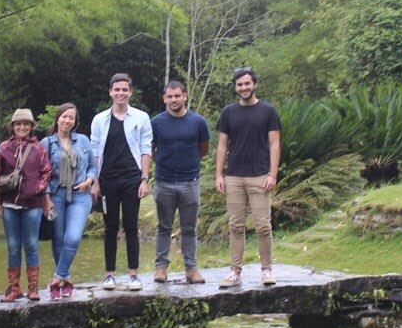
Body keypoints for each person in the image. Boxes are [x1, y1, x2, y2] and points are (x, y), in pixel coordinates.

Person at [215, 66, 282, 288]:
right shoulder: (228, 113)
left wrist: (273, 174)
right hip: (234, 177)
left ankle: (267, 270)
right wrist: (219, 175)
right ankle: (235, 272)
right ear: (235, 87)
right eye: (239, 84)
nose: (244, 87)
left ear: (255, 84)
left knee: (263, 226)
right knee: (235, 226)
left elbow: (274, 144)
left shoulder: (268, 111)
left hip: (260, 176)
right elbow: (222, 146)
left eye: (247, 83)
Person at [90, 73, 152, 291]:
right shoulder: (99, 119)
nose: (121, 93)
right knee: (110, 227)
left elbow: (146, 149)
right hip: (107, 180)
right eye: (117, 89)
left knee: (131, 226)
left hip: (132, 179)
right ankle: (109, 274)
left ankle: (133, 274)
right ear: (110, 92)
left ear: (130, 92)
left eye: (125, 89)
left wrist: (145, 179)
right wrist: (95, 182)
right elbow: (95, 151)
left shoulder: (141, 117)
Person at [151, 80, 210, 285]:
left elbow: (203, 148)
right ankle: (161, 268)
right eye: (170, 96)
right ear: (164, 98)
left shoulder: (198, 122)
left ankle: (191, 269)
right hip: (163, 182)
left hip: (190, 182)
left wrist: (188, 163)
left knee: (189, 228)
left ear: (185, 96)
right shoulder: (156, 122)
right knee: (163, 227)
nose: (174, 100)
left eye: (177, 96)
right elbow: (150, 148)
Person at [0, 108, 52, 303]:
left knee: (31, 245)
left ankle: (33, 288)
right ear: (12, 126)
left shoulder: (39, 149)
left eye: (26, 124)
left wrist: (38, 187)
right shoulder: (3, 148)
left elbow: (46, 172)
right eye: (18, 124)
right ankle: (14, 289)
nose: (22, 127)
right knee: (13, 246)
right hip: (10, 203)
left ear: (31, 127)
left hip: (33, 203)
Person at [41, 103, 95, 300]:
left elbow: (91, 166)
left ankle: (57, 277)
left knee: (72, 238)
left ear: (75, 121)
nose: (67, 120)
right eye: (64, 116)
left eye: (71, 118)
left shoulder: (83, 140)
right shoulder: (46, 143)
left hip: (80, 195)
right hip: (55, 195)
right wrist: (46, 199)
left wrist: (89, 180)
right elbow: (42, 174)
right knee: (58, 239)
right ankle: (66, 280)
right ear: (57, 119)